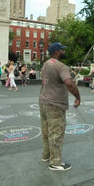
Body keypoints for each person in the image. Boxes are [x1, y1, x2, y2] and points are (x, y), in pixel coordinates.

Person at [39, 42, 81, 171]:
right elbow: (69, 83)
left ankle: (46, 155)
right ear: (57, 52)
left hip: (43, 102)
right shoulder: (61, 66)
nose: (64, 51)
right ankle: (55, 162)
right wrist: (78, 97)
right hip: (55, 104)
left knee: (46, 131)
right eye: (62, 49)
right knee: (56, 133)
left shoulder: (46, 64)